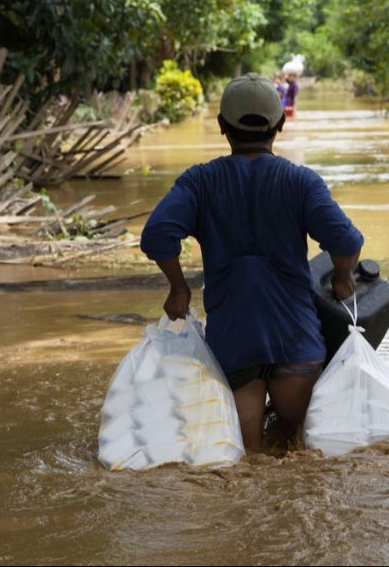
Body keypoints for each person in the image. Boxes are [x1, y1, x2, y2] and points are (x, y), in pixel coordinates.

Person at [140, 73, 364, 452]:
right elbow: (346, 242)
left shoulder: (200, 183)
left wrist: (178, 287)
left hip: (234, 346)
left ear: (222, 126)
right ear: (280, 124)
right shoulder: (301, 182)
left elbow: (156, 235)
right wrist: (342, 277)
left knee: (246, 458)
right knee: (300, 453)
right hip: (296, 343)